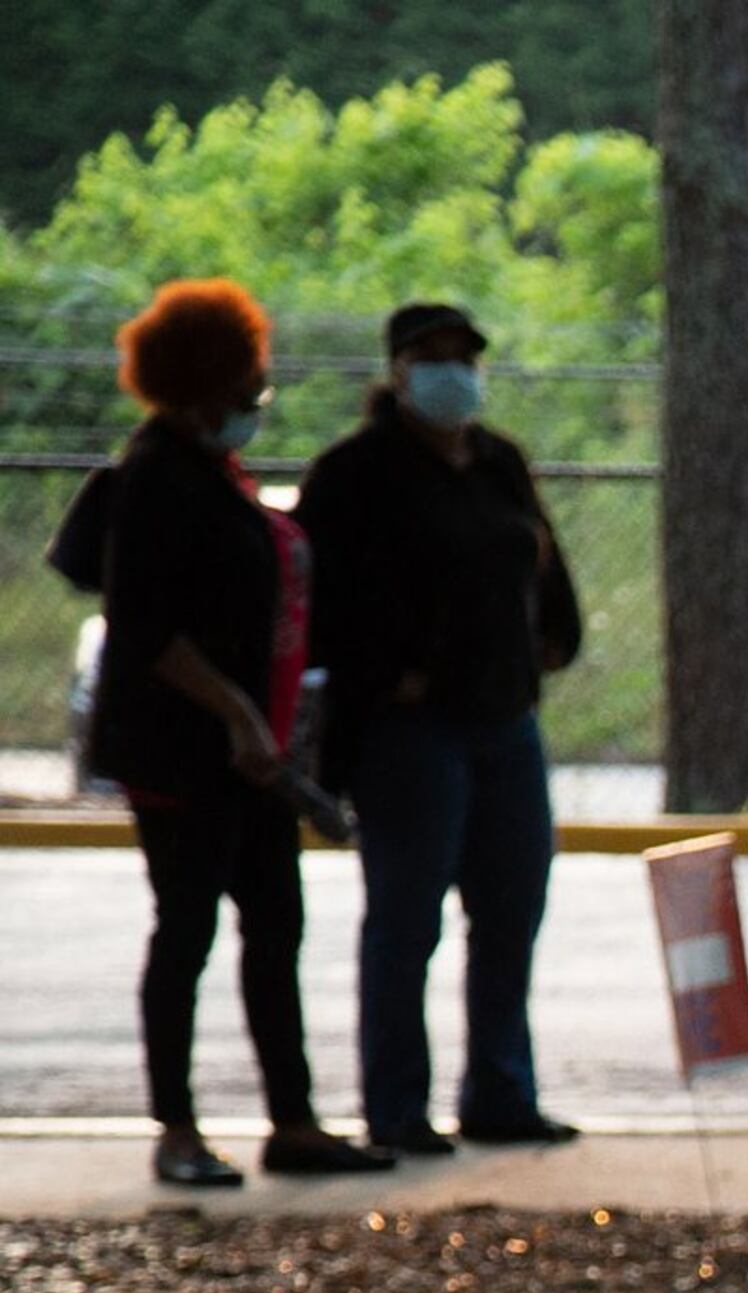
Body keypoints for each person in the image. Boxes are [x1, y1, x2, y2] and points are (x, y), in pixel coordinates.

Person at [84, 280, 393, 1190]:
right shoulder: (153, 479)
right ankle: (175, 1127)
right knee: (184, 933)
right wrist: (236, 713)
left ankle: (292, 1120)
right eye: (243, 384)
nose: (254, 402)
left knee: (276, 927)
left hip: (252, 758)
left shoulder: (218, 478)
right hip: (182, 756)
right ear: (200, 382)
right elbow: (146, 629)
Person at [295, 301, 587, 1156]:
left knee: (510, 911)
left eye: (464, 355)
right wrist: (391, 676)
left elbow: (541, 565)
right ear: (397, 370)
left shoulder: (497, 463)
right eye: (433, 356)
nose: (453, 372)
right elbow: (321, 598)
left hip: (505, 720)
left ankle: (500, 1094)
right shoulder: (355, 473)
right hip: (410, 734)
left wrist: (550, 645)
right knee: (407, 920)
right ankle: (395, 1110)